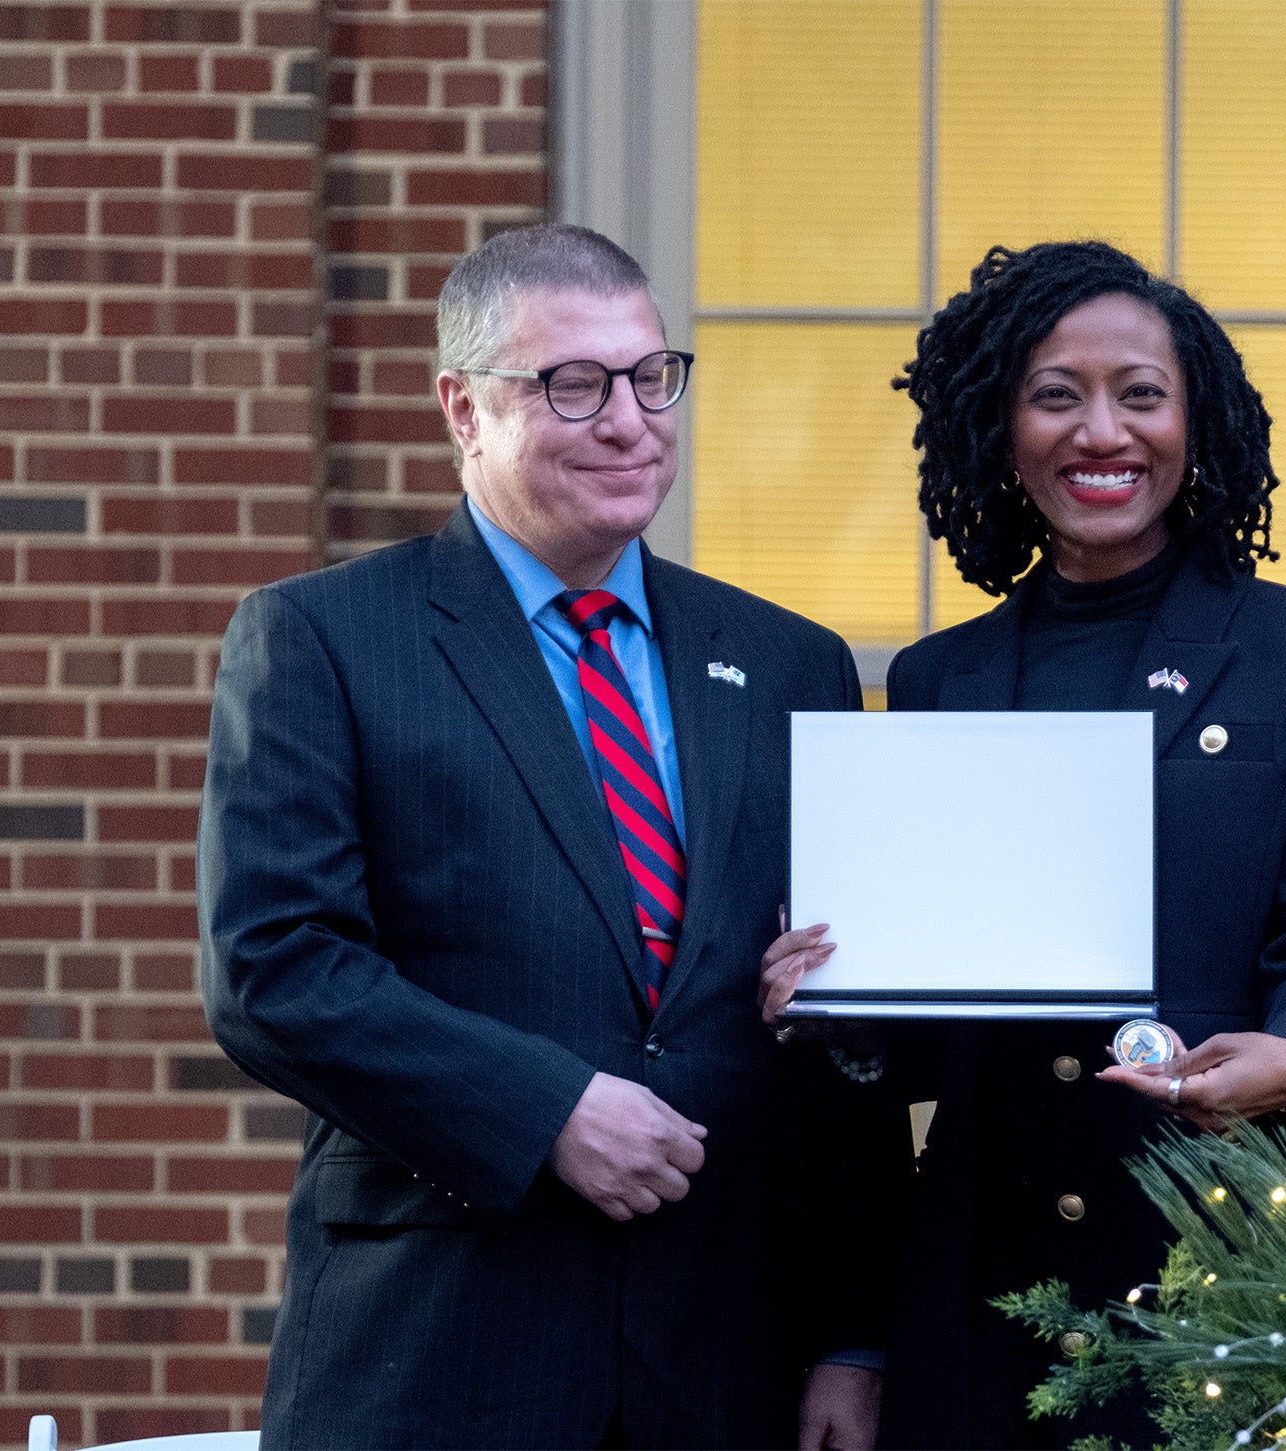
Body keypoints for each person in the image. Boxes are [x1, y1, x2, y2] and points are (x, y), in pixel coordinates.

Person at [200, 223, 888, 1450]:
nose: (628, 419)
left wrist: (852, 1331)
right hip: (443, 1350)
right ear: (464, 408)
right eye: (573, 384)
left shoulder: (791, 663)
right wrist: (546, 1109)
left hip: (724, 1355)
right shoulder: (325, 640)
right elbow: (275, 968)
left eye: (649, 375)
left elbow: (831, 1007)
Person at [758, 240, 1286, 1448]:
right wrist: (823, 1001)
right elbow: (886, 1067)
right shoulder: (940, 679)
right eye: (1056, 394)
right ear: (999, 429)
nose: (1102, 430)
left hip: (1221, 1267)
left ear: (1194, 424)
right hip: (974, 1288)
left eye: (1140, 394)